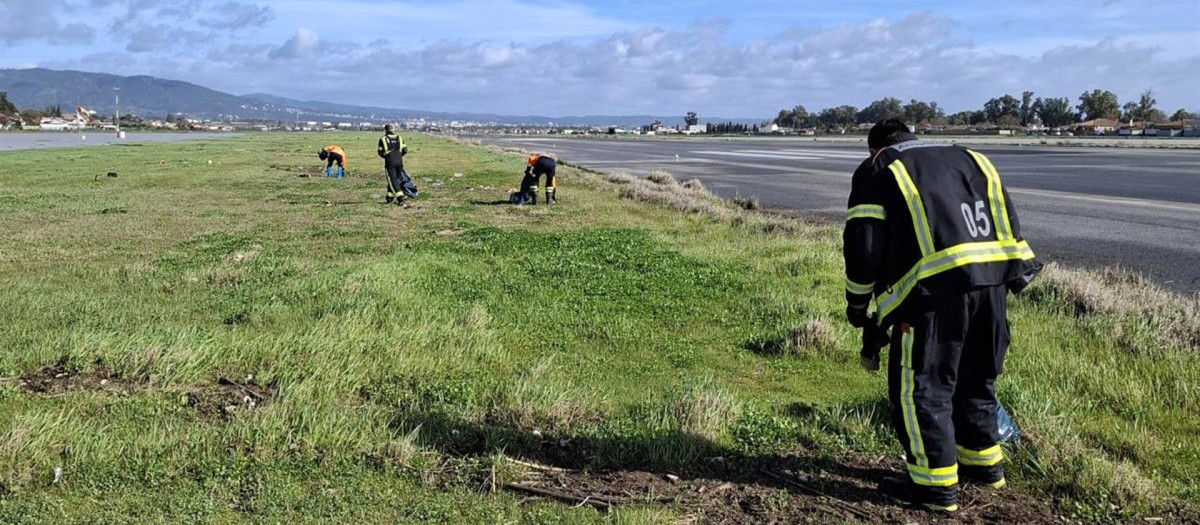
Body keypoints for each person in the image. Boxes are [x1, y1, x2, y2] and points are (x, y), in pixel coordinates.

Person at [842, 119, 1041, 513]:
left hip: (934, 296)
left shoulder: (880, 166)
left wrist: (857, 306)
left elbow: (864, 246)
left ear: (874, 147)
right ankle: (985, 469)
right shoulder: (971, 157)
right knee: (976, 379)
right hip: (993, 284)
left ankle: (934, 489)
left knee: (922, 388)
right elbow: (1007, 219)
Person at [377, 124, 411, 204]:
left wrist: (387, 157)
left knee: (392, 179)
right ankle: (389, 197)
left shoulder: (383, 139)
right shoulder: (400, 138)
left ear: (385, 130)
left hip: (390, 160)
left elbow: (380, 152)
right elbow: (405, 150)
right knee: (397, 178)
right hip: (399, 159)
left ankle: (400, 198)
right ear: (393, 130)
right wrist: (399, 156)